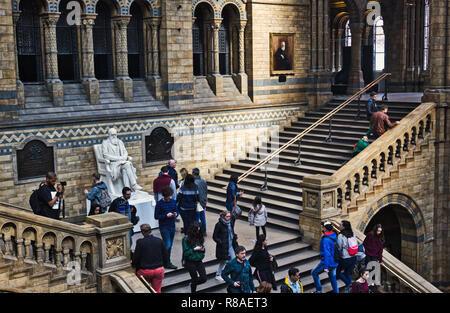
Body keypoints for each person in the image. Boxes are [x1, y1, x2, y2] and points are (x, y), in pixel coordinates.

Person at [101, 128, 142, 192]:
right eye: (112, 135)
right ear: (109, 135)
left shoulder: (120, 142)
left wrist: (123, 157)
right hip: (113, 164)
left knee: (127, 166)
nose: (114, 136)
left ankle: (131, 186)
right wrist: (119, 159)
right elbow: (105, 155)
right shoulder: (105, 143)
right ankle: (131, 186)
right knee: (127, 166)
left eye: (115, 134)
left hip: (122, 163)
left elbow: (125, 152)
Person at [132, 223, 168, 293]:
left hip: (145, 272)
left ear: (142, 232)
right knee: (157, 290)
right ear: (151, 230)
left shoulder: (140, 243)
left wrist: (134, 265)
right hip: (158, 270)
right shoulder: (159, 240)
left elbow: (136, 257)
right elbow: (165, 255)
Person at [154, 186, 179, 270]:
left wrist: (176, 214)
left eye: (170, 196)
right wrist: (165, 215)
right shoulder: (159, 204)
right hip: (164, 226)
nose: (170, 197)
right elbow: (156, 216)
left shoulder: (173, 201)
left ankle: (166, 261)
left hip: (172, 225)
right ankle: (166, 262)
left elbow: (176, 210)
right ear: (165, 196)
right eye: (168, 196)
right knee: (167, 245)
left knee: (170, 245)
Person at [311, 221, 339, 293]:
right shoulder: (333, 235)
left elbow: (327, 254)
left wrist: (326, 267)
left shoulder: (325, 239)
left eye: (323, 227)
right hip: (334, 261)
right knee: (333, 278)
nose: (322, 228)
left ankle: (319, 290)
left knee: (314, 273)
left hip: (327, 262)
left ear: (325, 229)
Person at [213, 210, 238, 281]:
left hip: (230, 245)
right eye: (227, 216)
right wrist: (220, 242)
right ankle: (218, 274)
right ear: (223, 217)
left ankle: (231, 274)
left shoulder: (230, 223)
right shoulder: (219, 225)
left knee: (234, 259)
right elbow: (215, 236)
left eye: (230, 216)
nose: (229, 218)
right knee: (223, 261)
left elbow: (232, 231)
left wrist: (234, 236)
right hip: (223, 246)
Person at [182, 222, 207, 293]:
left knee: (203, 278)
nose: (198, 231)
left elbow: (202, 249)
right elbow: (186, 253)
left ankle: (192, 284)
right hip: (190, 262)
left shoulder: (199, 237)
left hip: (199, 260)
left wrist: (202, 249)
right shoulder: (186, 239)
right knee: (194, 278)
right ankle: (193, 290)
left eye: (199, 230)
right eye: (197, 230)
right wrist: (194, 249)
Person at [336, 220, 358, 293]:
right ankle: (351, 289)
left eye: (340, 225)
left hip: (346, 258)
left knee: (338, 273)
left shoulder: (341, 235)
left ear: (344, 227)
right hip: (354, 257)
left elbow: (339, 247)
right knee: (347, 274)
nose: (339, 226)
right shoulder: (352, 234)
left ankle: (350, 285)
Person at [193, 168, 208, 236]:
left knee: (197, 218)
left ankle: (196, 232)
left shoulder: (194, 183)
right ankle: (204, 231)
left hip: (198, 202)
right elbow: (206, 191)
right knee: (203, 218)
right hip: (203, 202)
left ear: (193, 173)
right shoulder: (203, 181)